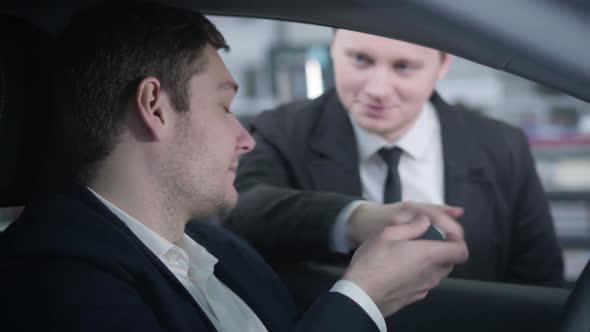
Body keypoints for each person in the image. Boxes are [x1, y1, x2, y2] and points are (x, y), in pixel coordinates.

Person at [0, 3, 469, 331]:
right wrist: (362, 299)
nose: (245, 139)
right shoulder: (55, 283)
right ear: (154, 107)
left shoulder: (214, 245)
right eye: (225, 108)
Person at [224, 29, 564, 287]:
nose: (378, 89)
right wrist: (355, 219)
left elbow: (538, 282)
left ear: (443, 64)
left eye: (404, 67)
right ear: (333, 49)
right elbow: (241, 210)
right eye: (361, 60)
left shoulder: (502, 146)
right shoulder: (281, 129)